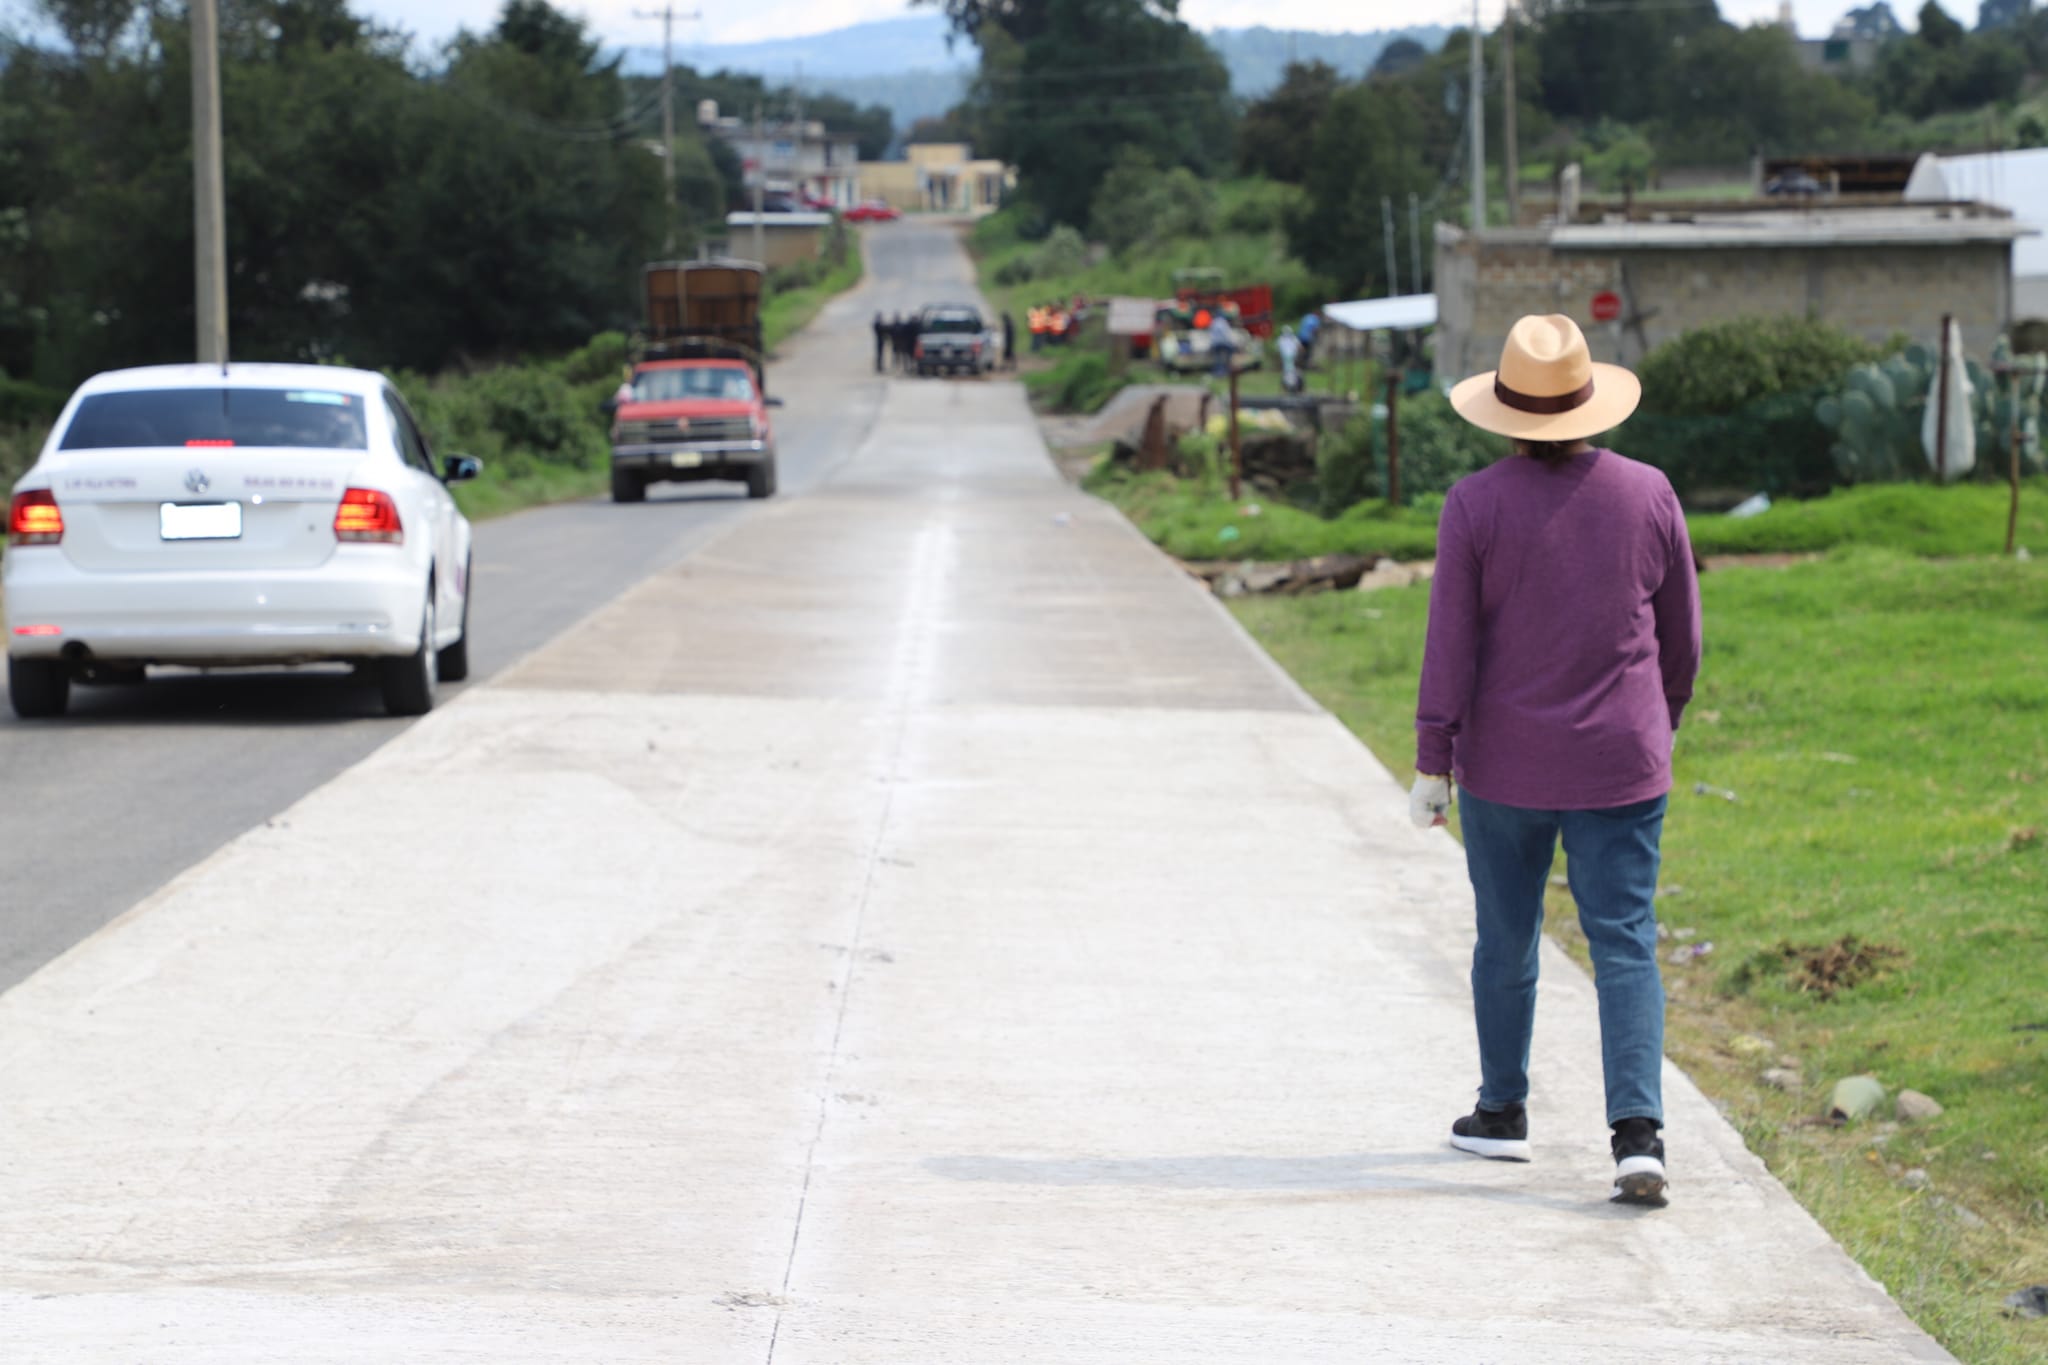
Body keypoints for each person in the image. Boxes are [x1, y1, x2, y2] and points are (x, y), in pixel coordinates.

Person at [1410, 313, 1700, 1208]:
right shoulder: (1650, 493)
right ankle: (1638, 1137)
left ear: (1505, 414)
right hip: (1622, 760)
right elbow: (1682, 637)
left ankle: (1502, 1113)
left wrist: (1434, 759)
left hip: (1505, 768)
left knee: (1507, 935)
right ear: (1591, 405)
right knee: (1623, 941)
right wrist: (1661, 719)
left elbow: (1449, 642)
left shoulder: (1475, 505)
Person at [1206, 308, 1236, 379]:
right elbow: (1227, 334)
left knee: (1217, 359)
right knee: (1227, 357)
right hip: (1224, 343)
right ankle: (1226, 371)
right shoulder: (1224, 322)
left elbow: (1211, 334)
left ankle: (1217, 373)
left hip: (1216, 344)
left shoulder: (1213, 322)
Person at [1276, 325, 1302, 394]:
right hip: (1289, 358)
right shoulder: (1291, 339)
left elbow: (1278, 349)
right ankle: (1288, 387)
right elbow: (1299, 347)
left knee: (1289, 372)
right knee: (1289, 372)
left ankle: (1290, 387)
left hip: (1289, 358)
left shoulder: (1282, 339)